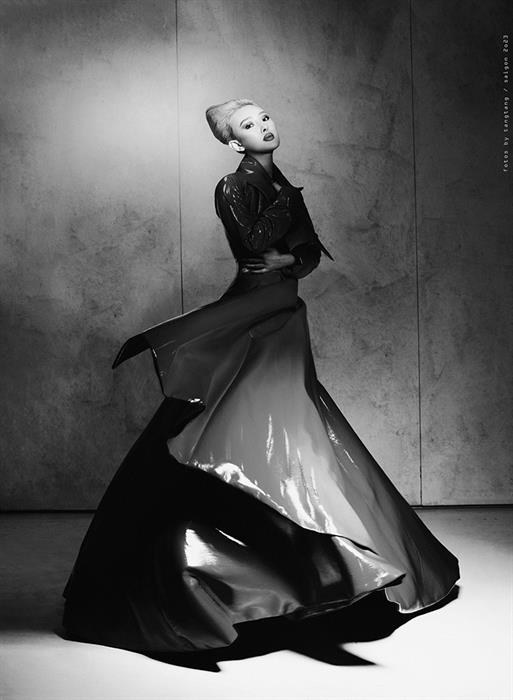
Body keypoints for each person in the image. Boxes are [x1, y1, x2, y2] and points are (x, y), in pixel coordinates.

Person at [62, 98, 460, 654]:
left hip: (286, 309)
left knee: (293, 415)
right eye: (248, 125)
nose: (264, 127)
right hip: (254, 309)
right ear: (234, 143)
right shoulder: (234, 186)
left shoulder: (283, 185)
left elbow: (309, 253)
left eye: (265, 117)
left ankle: (330, 554)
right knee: (245, 414)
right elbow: (252, 244)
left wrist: (290, 258)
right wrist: (285, 217)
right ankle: (239, 558)